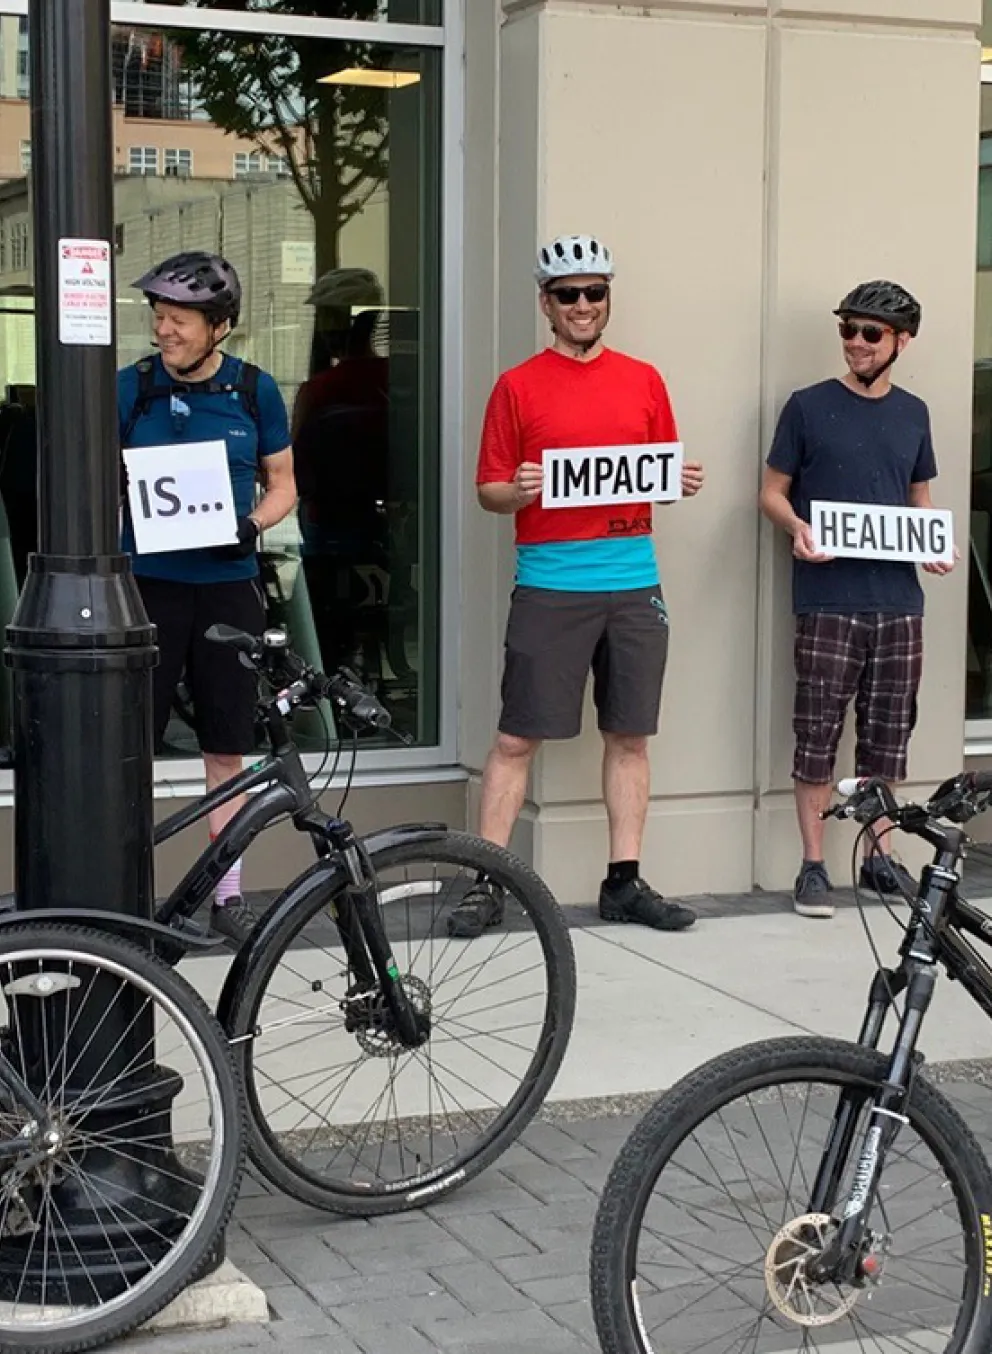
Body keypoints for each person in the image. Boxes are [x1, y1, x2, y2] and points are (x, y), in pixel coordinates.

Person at [450, 233, 705, 940]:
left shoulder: (645, 380)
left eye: (595, 292)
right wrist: (518, 489)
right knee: (514, 739)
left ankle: (624, 881)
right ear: (546, 304)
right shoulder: (517, 385)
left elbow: (658, 471)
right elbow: (489, 492)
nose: (584, 305)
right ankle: (489, 882)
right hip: (551, 584)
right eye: (569, 295)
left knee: (629, 734)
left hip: (633, 581)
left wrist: (678, 480)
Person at [760, 279, 955, 920]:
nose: (856, 343)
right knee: (816, 732)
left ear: (902, 341)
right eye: (848, 329)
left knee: (887, 736)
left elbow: (918, 500)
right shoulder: (807, 407)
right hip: (828, 596)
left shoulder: (914, 413)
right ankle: (814, 865)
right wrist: (797, 528)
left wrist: (933, 545)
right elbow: (771, 491)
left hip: (899, 600)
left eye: (870, 333)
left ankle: (878, 856)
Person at [119, 251, 297, 945]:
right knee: (129, 745)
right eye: (159, 317)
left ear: (220, 326)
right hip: (148, 589)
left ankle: (227, 895)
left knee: (228, 746)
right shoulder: (128, 389)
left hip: (227, 589)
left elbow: (284, 483)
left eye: (180, 321)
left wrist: (252, 524)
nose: (165, 331)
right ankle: (125, 889)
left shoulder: (256, 391)